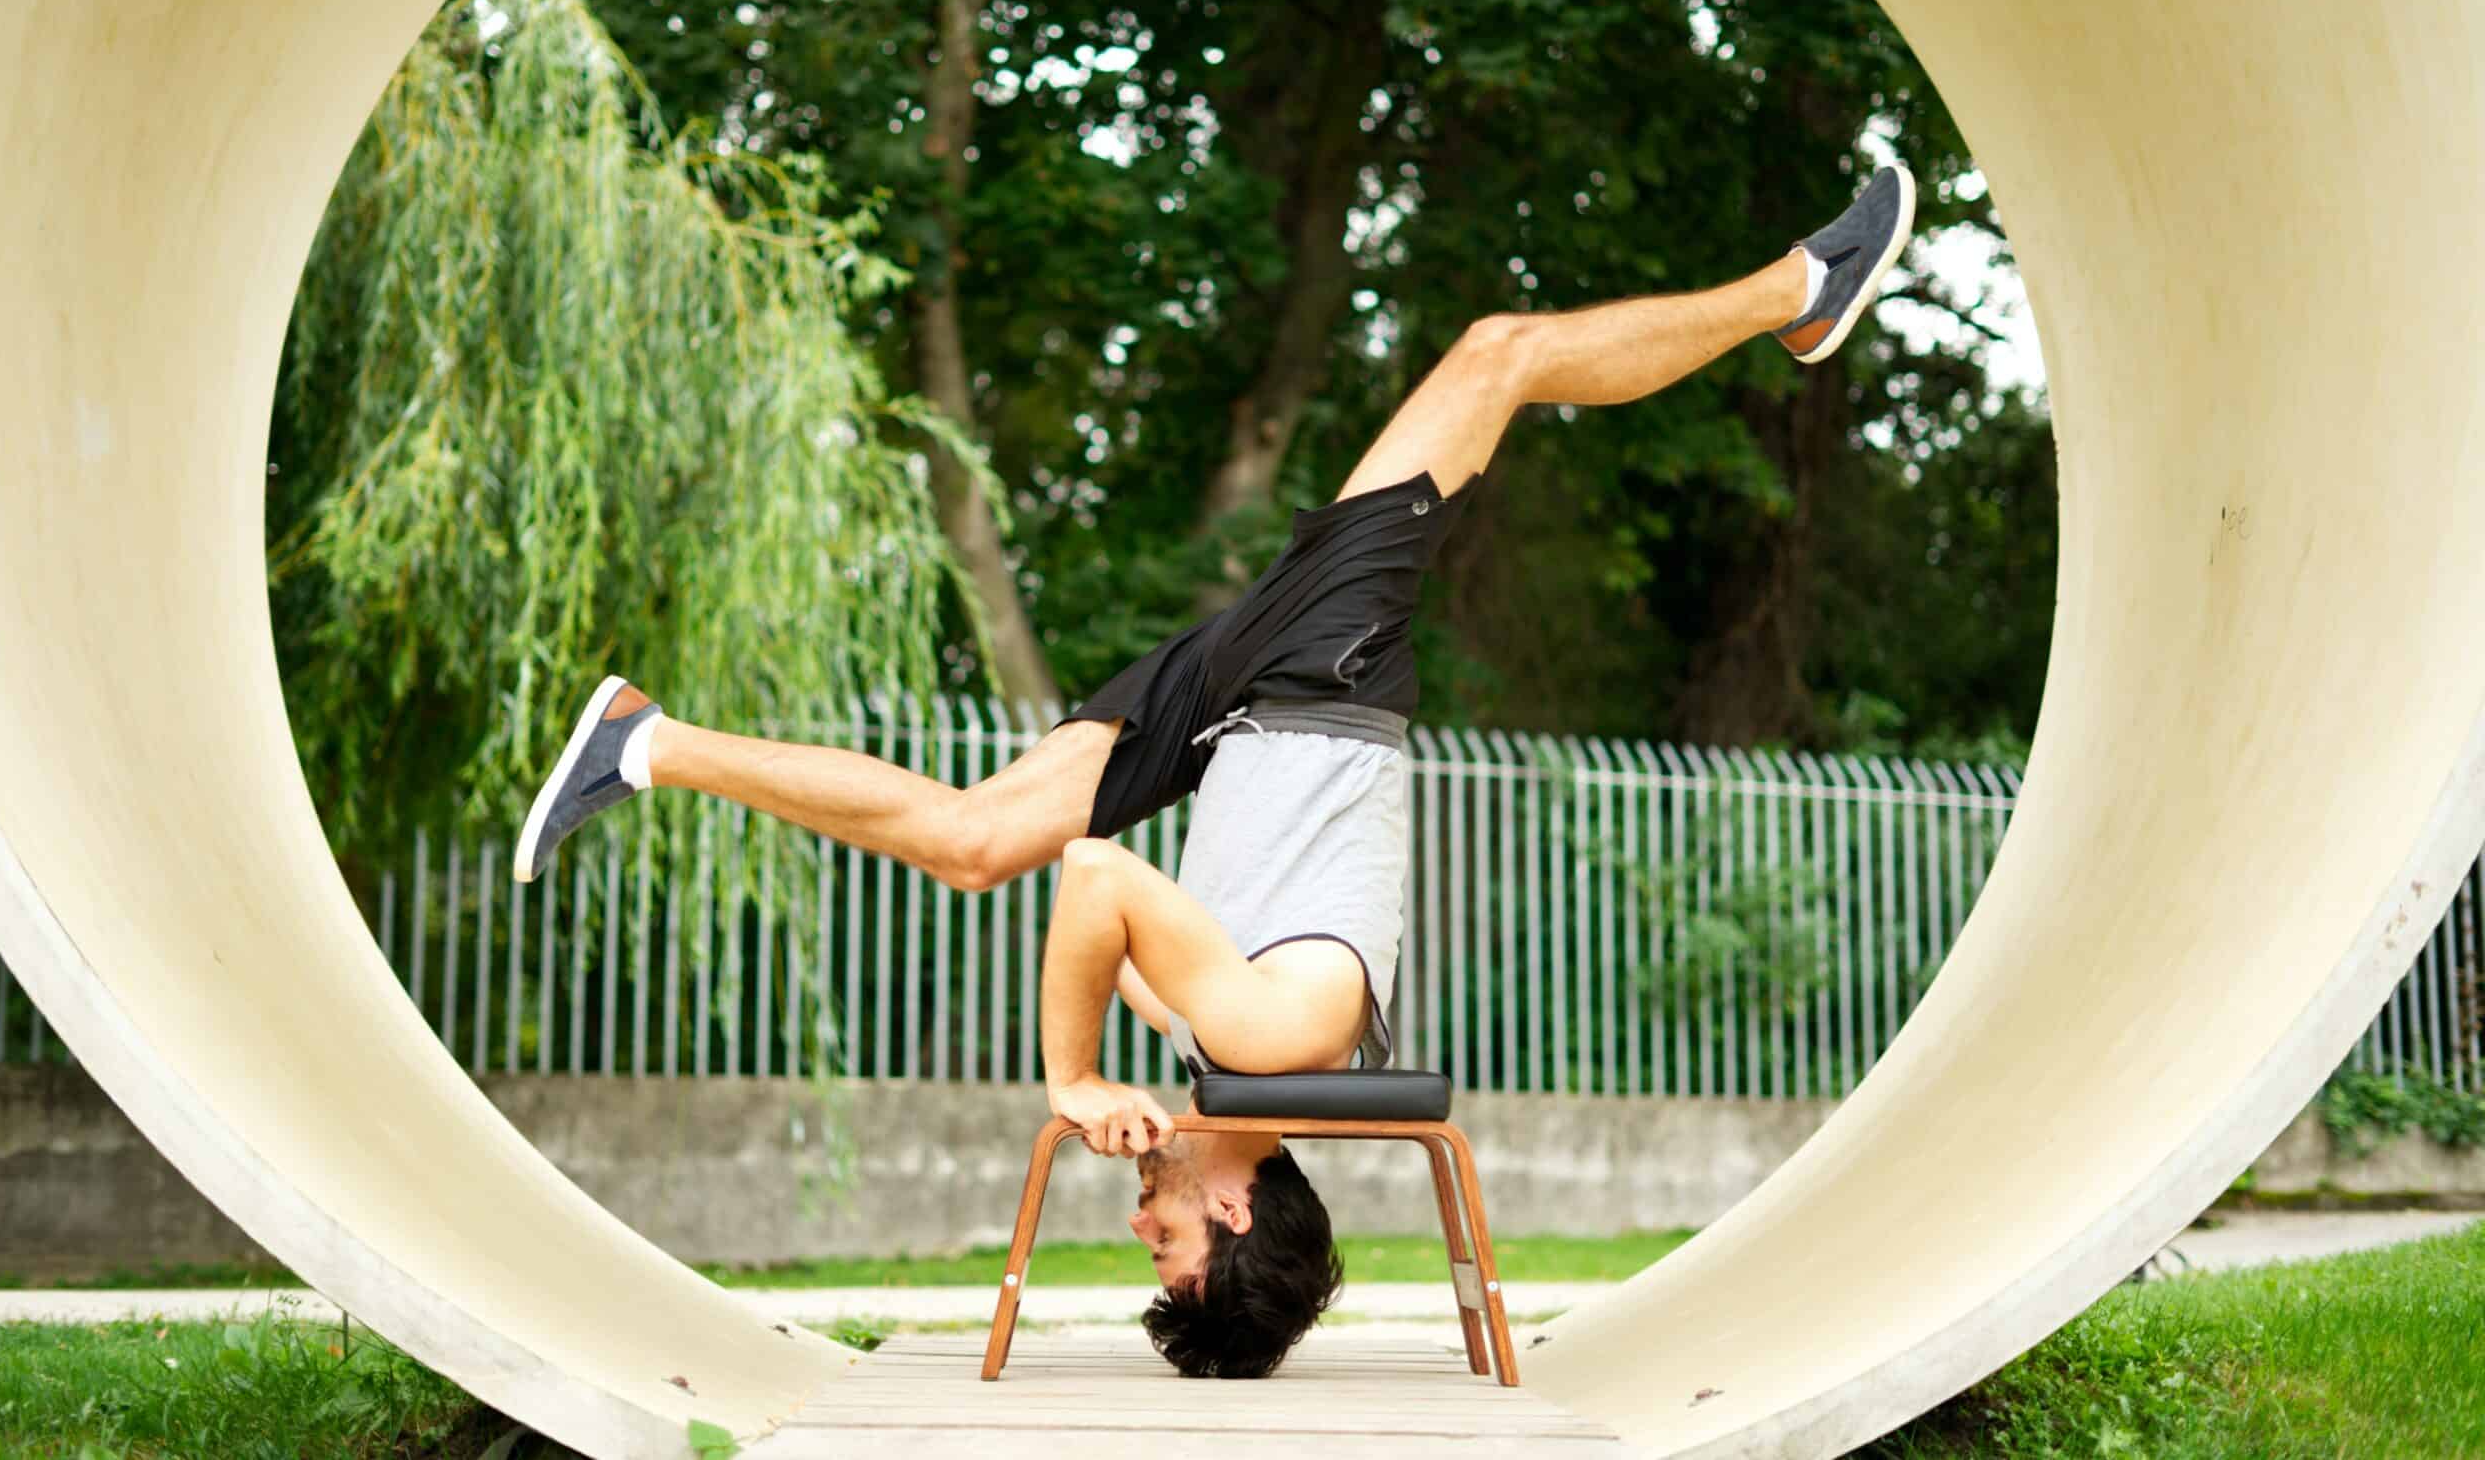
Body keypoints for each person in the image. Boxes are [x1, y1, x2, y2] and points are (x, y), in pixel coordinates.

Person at [510, 160, 1916, 1377]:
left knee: (966, 836)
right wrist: (1069, 1075)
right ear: (1235, 1218)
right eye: (1166, 1237)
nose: (1140, 1213)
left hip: (1229, 718)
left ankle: (646, 741)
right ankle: (1800, 288)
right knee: (1499, 354)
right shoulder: (1260, 1041)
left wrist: (1134, 1071)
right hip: (1317, 678)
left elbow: (1115, 937)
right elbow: (1104, 879)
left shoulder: (1238, 1049)